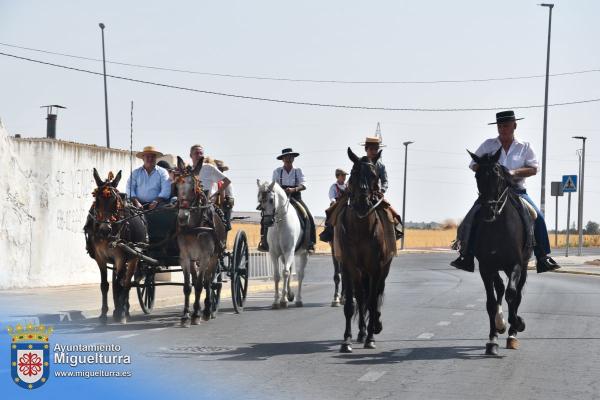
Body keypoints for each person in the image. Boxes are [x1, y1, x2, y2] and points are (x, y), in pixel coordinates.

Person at [451, 110, 560, 273]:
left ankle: (543, 257)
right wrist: (484, 168)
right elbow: (473, 164)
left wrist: (513, 173)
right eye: (500, 126)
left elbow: (534, 168)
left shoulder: (525, 146)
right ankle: (466, 255)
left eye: (506, 126)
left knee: (538, 217)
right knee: (471, 217)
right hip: (492, 193)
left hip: (517, 191)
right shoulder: (488, 144)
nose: (502, 129)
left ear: (514, 126)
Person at [320, 136, 402, 242]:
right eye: (371, 149)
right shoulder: (359, 163)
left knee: (390, 213)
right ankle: (329, 230)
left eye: (376, 149)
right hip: (357, 193)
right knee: (335, 209)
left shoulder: (381, 166)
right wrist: (349, 189)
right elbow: (352, 179)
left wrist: (382, 190)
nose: (374, 151)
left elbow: (385, 181)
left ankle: (396, 231)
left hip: (374, 195)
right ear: (366, 149)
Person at [257, 148, 316, 253]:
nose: (288, 159)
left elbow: (304, 184)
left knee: (308, 216)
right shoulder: (277, 171)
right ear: (282, 159)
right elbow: (273, 186)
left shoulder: (298, 171)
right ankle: (264, 241)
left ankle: (310, 243)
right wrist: (282, 191)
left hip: (295, 197)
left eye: (290, 157)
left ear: (293, 158)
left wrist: (294, 189)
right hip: (280, 198)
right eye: (286, 157)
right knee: (266, 215)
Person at [215, 159, 234, 231]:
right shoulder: (218, 178)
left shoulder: (222, 179)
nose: (219, 170)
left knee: (225, 224)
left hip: (226, 203)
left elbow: (222, 196)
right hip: (219, 201)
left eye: (220, 169)